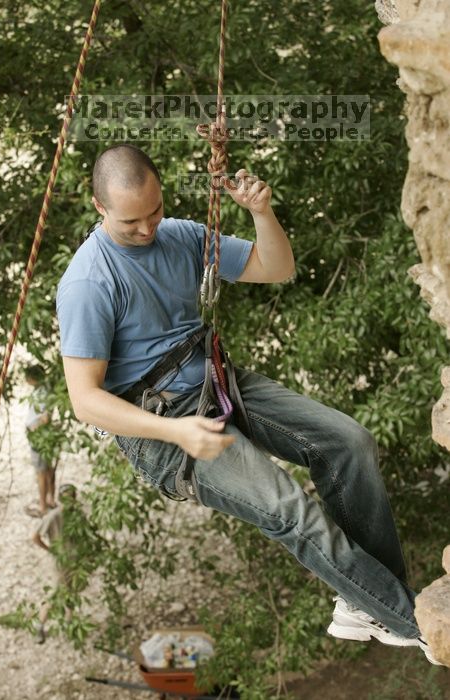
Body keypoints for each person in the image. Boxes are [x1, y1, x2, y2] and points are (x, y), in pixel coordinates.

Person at [56, 144, 439, 664]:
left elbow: (274, 267)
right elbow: (85, 400)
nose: (147, 230)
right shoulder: (88, 282)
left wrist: (262, 212)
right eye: (131, 223)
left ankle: (365, 602)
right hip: (163, 426)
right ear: (98, 207)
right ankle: (413, 621)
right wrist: (177, 432)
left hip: (218, 382)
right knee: (289, 510)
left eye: (155, 212)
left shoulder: (181, 236)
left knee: (348, 442)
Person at [32, 483, 77, 644]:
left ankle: (69, 625)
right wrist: (51, 550)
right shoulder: (53, 516)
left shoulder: (76, 515)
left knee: (70, 592)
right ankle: (39, 625)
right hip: (61, 562)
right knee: (57, 593)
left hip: (74, 561)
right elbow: (35, 537)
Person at [24, 364, 56, 517]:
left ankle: (43, 506)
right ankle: (50, 500)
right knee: (48, 469)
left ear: (33, 378)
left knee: (41, 473)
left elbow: (46, 417)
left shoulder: (43, 392)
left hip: (39, 437)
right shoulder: (44, 389)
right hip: (42, 435)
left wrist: (34, 429)